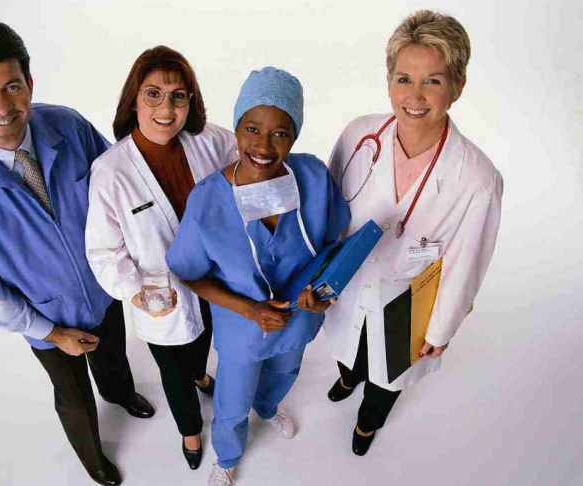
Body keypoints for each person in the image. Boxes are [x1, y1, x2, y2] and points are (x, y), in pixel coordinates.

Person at [0, 20, 155, 486]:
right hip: (43, 318)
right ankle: (94, 460)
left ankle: (122, 395)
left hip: (105, 290)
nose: (2, 107)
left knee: (114, 358)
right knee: (73, 395)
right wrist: (50, 331)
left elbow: (118, 189)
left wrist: (134, 269)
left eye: (12, 86)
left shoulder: (68, 125)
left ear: (29, 82)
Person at [323, 10, 504, 456]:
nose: (415, 96)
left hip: (408, 300)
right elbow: (327, 212)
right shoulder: (359, 134)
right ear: (388, 80)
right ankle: (348, 376)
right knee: (349, 348)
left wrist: (441, 329)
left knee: (389, 375)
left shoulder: (477, 179)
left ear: (458, 87)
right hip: (348, 284)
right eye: (404, 79)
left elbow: (467, 264)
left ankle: (367, 423)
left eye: (433, 81)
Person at [167, 67, 351, 486]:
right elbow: (189, 273)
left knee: (285, 373)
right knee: (233, 399)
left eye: (280, 133)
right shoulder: (209, 200)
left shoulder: (312, 177)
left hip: (298, 317)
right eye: (252, 129)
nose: (264, 146)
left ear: (295, 136)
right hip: (242, 329)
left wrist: (321, 290)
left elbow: (332, 243)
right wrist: (250, 310)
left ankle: (267, 408)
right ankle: (227, 455)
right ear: (235, 128)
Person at [84, 46, 236, 470]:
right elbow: (103, 251)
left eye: (178, 96)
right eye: (153, 94)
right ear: (133, 100)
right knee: (173, 369)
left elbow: (243, 165)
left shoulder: (209, 141)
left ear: (191, 101)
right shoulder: (110, 171)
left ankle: (202, 374)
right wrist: (136, 292)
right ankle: (190, 431)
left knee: (203, 340)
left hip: (212, 280)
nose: (166, 109)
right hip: (159, 298)